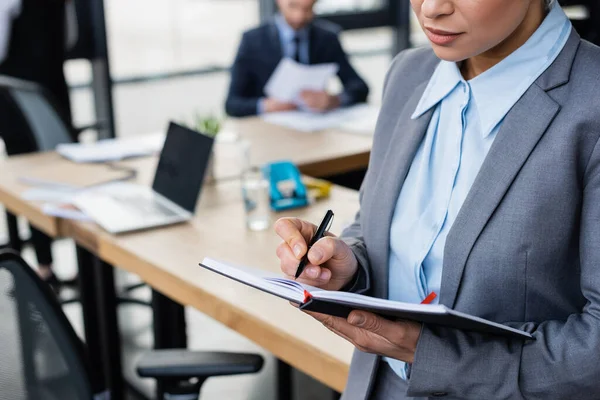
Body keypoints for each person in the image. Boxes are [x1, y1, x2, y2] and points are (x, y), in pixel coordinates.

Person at [275, 0, 600, 398]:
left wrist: (430, 354)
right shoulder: (408, 74)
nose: (430, 8)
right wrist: (349, 266)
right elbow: (373, 224)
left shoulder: (591, 104)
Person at [0, 0, 73, 289]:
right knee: (56, 177)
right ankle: (48, 266)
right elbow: (69, 38)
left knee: (28, 182)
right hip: (50, 92)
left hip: (18, 95)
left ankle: (41, 268)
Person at [225, 0, 369, 118]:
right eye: (293, 6)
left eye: (308, 9)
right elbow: (232, 104)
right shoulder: (253, 40)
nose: (299, 17)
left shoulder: (327, 38)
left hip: (315, 127)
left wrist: (334, 100)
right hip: (270, 131)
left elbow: (360, 88)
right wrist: (265, 105)